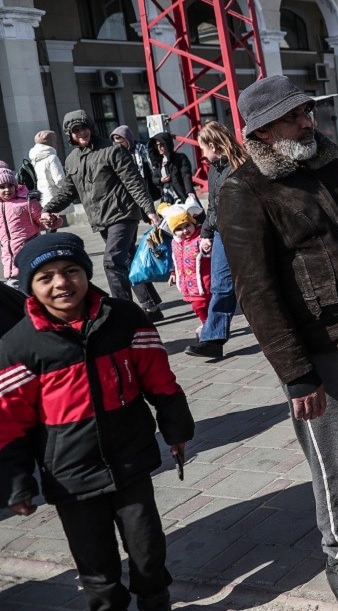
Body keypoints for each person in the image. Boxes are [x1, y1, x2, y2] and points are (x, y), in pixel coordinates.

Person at [219, 75, 338, 611]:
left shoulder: (324, 165)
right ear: (263, 129)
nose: (308, 121)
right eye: (294, 116)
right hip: (315, 349)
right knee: (333, 464)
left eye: (306, 111)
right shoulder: (243, 189)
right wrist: (295, 373)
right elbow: (256, 292)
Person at [0, 232, 194, 611]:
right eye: (46, 277)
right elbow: (11, 421)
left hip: (131, 460)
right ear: (30, 288)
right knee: (95, 564)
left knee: (147, 547)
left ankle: (155, 600)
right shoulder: (18, 346)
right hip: (69, 476)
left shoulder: (124, 318)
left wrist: (177, 428)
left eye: (71, 270)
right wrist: (16, 481)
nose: (61, 283)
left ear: (86, 273)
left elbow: (159, 377)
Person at [42, 110, 164, 321]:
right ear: (69, 134)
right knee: (127, 258)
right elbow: (68, 191)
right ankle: (151, 307)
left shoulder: (112, 150)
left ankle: (125, 315)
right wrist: (48, 208)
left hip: (123, 214)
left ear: (91, 127)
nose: (81, 133)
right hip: (101, 219)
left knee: (112, 262)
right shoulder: (72, 159)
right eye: (76, 130)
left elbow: (134, 182)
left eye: (84, 127)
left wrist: (150, 211)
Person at [186, 121, 245, 360]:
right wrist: (207, 233)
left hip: (242, 233)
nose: (202, 154)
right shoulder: (214, 170)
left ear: (213, 145)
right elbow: (213, 207)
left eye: (203, 148)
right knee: (220, 285)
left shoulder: (239, 166)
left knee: (251, 286)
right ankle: (213, 339)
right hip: (221, 233)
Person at [0, 167, 61, 286]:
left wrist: (51, 219)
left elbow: (41, 217)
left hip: (30, 254)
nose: (7, 190)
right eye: (2, 187)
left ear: (15, 186)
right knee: (15, 292)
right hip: (10, 263)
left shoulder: (27, 202)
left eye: (10, 186)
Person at [165, 208, 211, 333]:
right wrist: (173, 273)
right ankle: (207, 323)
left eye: (187, 225)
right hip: (189, 284)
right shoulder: (175, 243)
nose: (185, 230)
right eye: (179, 229)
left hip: (204, 280)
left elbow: (207, 249)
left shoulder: (200, 237)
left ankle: (208, 325)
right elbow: (176, 260)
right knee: (199, 306)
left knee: (201, 305)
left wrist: (207, 247)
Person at [111, 125, 161, 203]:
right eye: (116, 143)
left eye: (121, 142)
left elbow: (152, 167)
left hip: (147, 190)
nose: (119, 145)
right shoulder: (115, 154)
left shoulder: (142, 149)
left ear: (128, 139)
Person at [147, 132, 197, 205]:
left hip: (180, 196)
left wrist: (190, 191)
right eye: (156, 145)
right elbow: (154, 179)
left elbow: (186, 176)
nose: (159, 147)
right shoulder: (158, 162)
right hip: (167, 199)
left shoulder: (180, 158)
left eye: (161, 144)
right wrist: (161, 180)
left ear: (167, 144)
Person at [28, 130, 66, 201]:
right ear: (51, 142)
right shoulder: (52, 157)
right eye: (54, 141)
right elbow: (59, 179)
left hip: (42, 197)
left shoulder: (34, 159)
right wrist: (67, 190)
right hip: (57, 196)